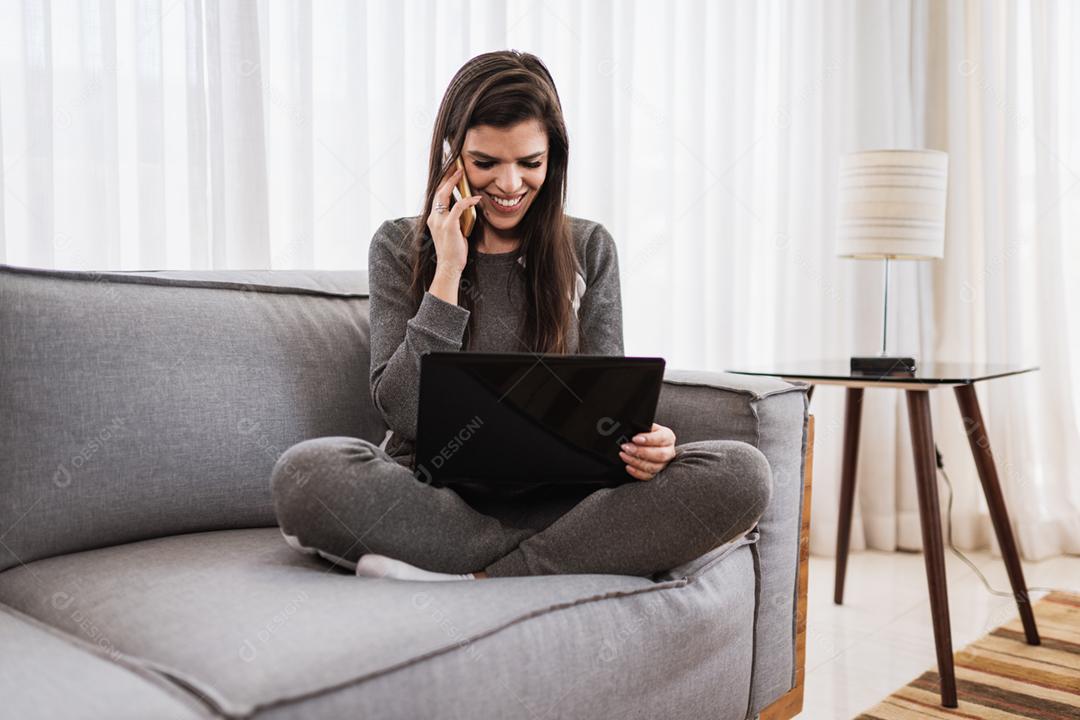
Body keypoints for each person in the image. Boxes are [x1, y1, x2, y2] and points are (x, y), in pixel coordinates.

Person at [270, 50, 772, 582]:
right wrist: (447, 274)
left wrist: (646, 445)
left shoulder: (589, 246)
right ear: (451, 157)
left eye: (530, 163)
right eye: (486, 163)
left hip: (565, 502)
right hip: (437, 501)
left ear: (553, 157)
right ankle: (546, 563)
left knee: (743, 474)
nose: (509, 185)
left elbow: (607, 412)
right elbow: (403, 412)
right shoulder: (399, 245)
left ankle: (486, 575)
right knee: (307, 476)